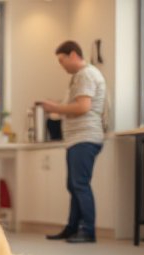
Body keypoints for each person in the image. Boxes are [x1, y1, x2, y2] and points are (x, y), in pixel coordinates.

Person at [41, 40, 106, 244]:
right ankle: (72, 228)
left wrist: (55, 108)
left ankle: (88, 231)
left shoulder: (86, 74)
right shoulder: (81, 76)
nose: (62, 66)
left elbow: (83, 107)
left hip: (85, 137)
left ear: (73, 55)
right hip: (78, 138)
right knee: (74, 184)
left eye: (62, 60)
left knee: (79, 184)